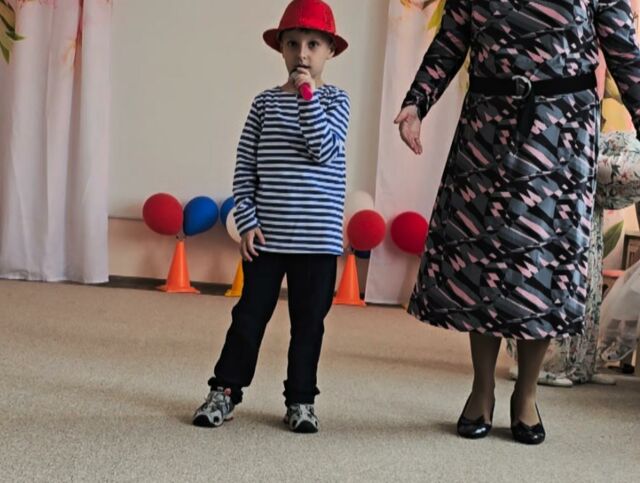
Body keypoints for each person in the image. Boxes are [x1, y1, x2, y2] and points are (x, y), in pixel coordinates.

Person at [395, 0, 640, 444]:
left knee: (542, 265)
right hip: (488, 126)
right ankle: (482, 388)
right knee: (482, 257)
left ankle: (526, 394)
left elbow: (624, 52)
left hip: (561, 133)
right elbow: (452, 39)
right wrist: (416, 102)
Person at [193, 0, 350, 434]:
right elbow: (245, 167)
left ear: (330, 51)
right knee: (249, 316)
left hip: (317, 241)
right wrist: (246, 220)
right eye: (293, 43)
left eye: (313, 44)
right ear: (281, 49)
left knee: (308, 324)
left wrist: (307, 98)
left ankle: (301, 399)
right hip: (268, 237)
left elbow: (323, 150)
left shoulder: (336, 101)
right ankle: (225, 390)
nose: (303, 53)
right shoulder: (264, 104)